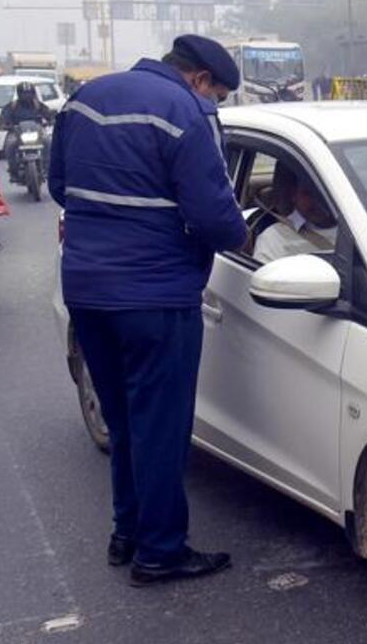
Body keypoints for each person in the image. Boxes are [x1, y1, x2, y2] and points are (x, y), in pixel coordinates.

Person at [49, 35, 250, 587]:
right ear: (202, 80)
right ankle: (160, 551)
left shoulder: (86, 98)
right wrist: (244, 235)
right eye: (221, 95)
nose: (217, 104)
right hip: (156, 296)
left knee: (127, 422)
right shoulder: (188, 110)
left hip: (87, 290)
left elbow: (59, 186)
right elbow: (213, 214)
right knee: (160, 428)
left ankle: (128, 532)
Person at [253, 162, 338, 263]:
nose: (318, 201)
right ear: (294, 194)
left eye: (324, 194)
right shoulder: (273, 239)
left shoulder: (358, 227)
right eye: (308, 193)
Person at [0, 81, 55, 163]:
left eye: (29, 93)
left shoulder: (38, 105)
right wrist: (4, 123)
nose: (27, 96)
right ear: (19, 94)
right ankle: (12, 166)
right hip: (16, 131)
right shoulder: (12, 106)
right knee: (10, 144)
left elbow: (48, 114)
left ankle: (47, 164)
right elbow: (4, 116)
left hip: (37, 131)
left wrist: (51, 120)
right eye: (24, 93)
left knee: (47, 141)